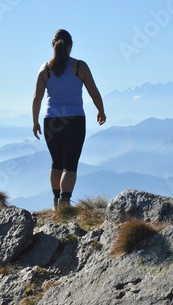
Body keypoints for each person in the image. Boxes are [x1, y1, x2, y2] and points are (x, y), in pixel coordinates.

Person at [32, 29, 106, 210]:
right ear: (71, 46)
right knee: (70, 165)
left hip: (51, 120)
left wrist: (35, 122)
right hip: (75, 120)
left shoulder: (44, 70)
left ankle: (56, 202)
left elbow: (37, 98)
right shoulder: (80, 66)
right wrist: (101, 110)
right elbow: (93, 91)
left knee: (56, 162)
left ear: (52, 46)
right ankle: (65, 203)